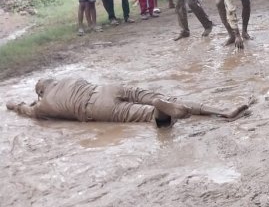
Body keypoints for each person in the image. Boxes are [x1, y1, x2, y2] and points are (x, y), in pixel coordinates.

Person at [6, 78, 248, 127]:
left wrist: (14, 105)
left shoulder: (44, 106)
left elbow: (26, 110)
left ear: (40, 92)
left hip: (96, 108)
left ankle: (161, 112)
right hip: (108, 88)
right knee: (162, 98)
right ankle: (223, 111)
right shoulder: (67, 80)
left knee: (145, 114)